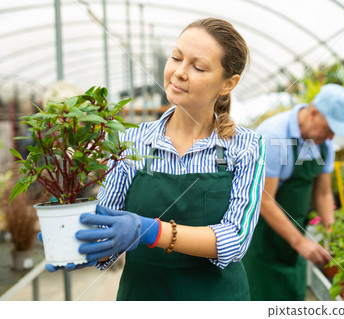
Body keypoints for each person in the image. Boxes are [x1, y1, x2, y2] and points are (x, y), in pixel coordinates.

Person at [45, 18, 265, 301]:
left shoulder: (246, 146)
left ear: (228, 83)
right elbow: (107, 222)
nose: (179, 72)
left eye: (198, 67)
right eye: (176, 58)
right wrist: (82, 244)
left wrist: (150, 230)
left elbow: (235, 240)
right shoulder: (131, 141)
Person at [242, 83, 344, 301]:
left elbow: (323, 193)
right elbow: (264, 200)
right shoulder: (274, 136)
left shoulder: (324, 144)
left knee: (293, 296)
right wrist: (300, 242)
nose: (331, 137)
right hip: (261, 236)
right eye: (329, 129)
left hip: (292, 237)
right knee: (260, 296)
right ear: (313, 113)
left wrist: (333, 234)